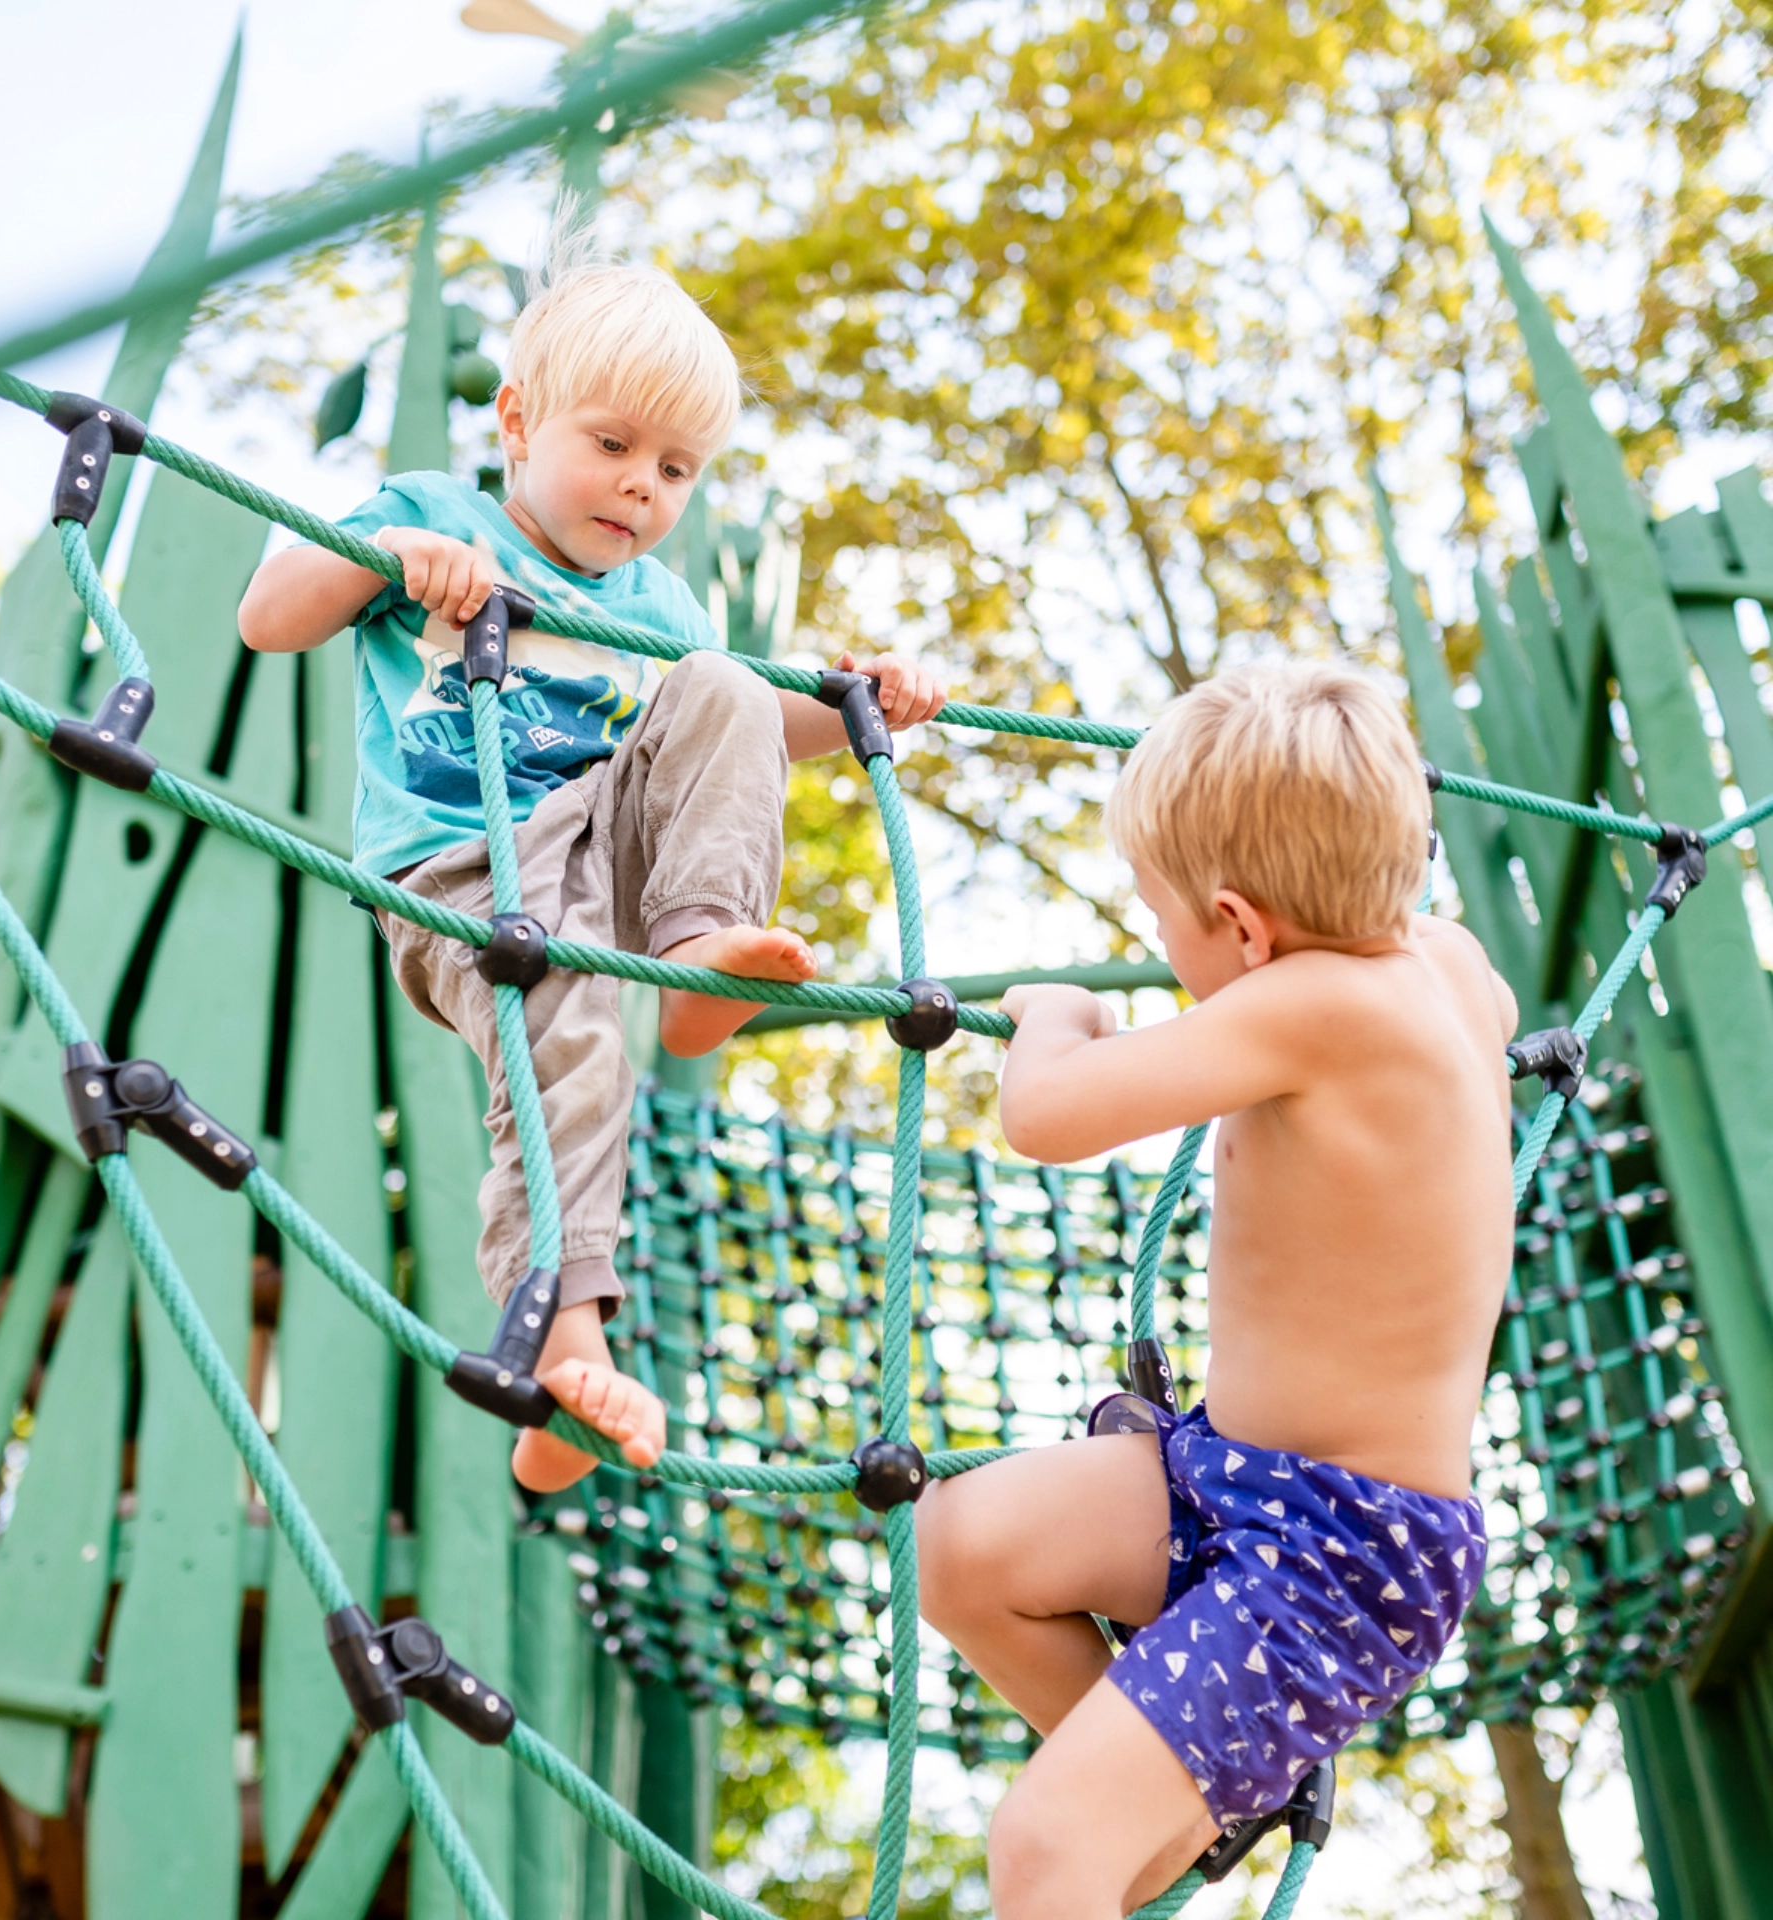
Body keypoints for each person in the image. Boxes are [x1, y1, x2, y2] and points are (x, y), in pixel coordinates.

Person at [238, 220, 945, 1492]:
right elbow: (268, 615)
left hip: (605, 865)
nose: (641, 488)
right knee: (564, 1049)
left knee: (725, 681)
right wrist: (390, 562)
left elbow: (743, 734)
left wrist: (855, 704)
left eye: (676, 470)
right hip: (471, 874)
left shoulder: (659, 609)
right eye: (611, 446)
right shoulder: (435, 515)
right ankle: (563, 1355)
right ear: (518, 423)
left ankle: (696, 956)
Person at [915, 663, 1513, 1915]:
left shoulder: (1317, 1006)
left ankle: (1139, 1814)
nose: (1158, 950)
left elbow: (1049, 1115)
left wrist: (1061, 1014)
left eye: (1158, 921)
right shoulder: (1444, 964)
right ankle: (1191, 1801)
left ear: (1242, 926)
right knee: (958, 1545)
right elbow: (1495, 1012)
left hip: (1346, 1555)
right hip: (1225, 1473)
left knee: (1042, 1852)